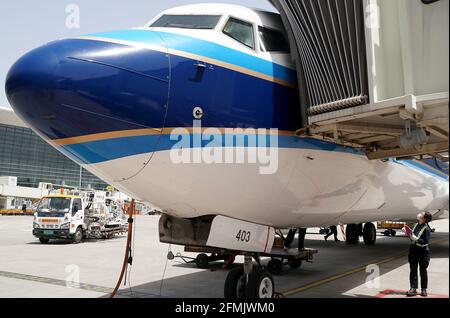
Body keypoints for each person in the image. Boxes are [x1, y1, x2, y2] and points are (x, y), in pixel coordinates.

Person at [406, 211, 432, 297]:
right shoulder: (416, 225)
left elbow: (425, 242)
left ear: (424, 218)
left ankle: (424, 289)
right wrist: (408, 234)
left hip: (423, 252)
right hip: (413, 251)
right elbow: (412, 236)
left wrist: (416, 239)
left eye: (422, 214)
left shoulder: (427, 228)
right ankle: (413, 288)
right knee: (413, 270)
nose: (420, 214)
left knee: (423, 271)